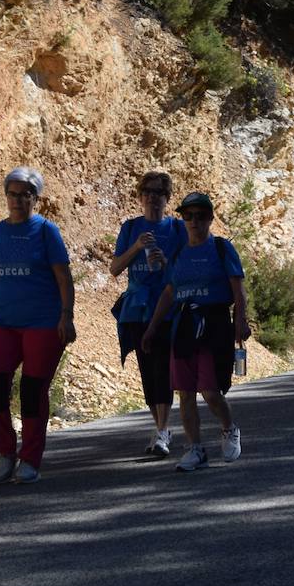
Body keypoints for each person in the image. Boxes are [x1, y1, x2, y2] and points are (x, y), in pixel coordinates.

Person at [0, 167, 76, 485]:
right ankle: (5, 452)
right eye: (12, 193)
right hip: (2, 322)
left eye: (25, 194)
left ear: (36, 198)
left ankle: (30, 458)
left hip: (42, 323)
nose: (17, 200)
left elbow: (63, 276)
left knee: (32, 391)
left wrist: (66, 315)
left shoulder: (46, 231)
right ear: (6, 196)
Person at [142, 192, 248, 472]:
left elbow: (237, 288)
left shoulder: (222, 248)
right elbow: (169, 292)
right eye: (187, 215)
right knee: (185, 392)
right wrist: (152, 328)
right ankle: (195, 449)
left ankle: (229, 428)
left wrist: (241, 321)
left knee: (210, 391)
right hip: (184, 326)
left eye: (200, 215)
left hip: (213, 324)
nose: (193, 221)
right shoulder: (179, 254)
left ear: (210, 219)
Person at [110, 171, 186, 458]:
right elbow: (115, 268)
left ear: (167, 198)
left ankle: (164, 430)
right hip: (138, 309)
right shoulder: (131, 228)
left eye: (159, 192)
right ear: (140, 197)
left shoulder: (177, 229)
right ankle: (160, 427)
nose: (153, 197)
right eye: (148, 192)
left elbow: (185, 271)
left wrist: (165, 263)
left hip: (167, 309)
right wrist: (137, 248)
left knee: (163, 369)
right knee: (146, 370)